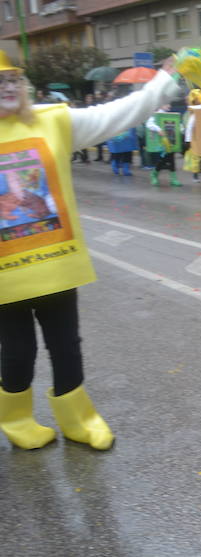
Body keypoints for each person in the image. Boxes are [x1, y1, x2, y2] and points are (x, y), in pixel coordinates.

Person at [0, 50, 180, 450]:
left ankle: (77, 418)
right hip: (4, 280)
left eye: (13, 79)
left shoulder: (54, 121)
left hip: (55, 268)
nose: (8, 88)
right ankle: (16, 419)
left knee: (66, 345)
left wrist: (163, 82)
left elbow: (117, 114)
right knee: (17, 350)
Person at [145, 104, 182, 188]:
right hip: (162, 143)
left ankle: (173, 179)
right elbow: (149, 124)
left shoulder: (170, 115)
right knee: (163, 160)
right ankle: (155, 174)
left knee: (171, 159)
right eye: (166, 104)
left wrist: (180, 128)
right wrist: (159, 129)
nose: (169, 105)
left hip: (171, 142)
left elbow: (177, 125)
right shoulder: (156, 115)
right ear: (161, 105)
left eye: (169, 104)